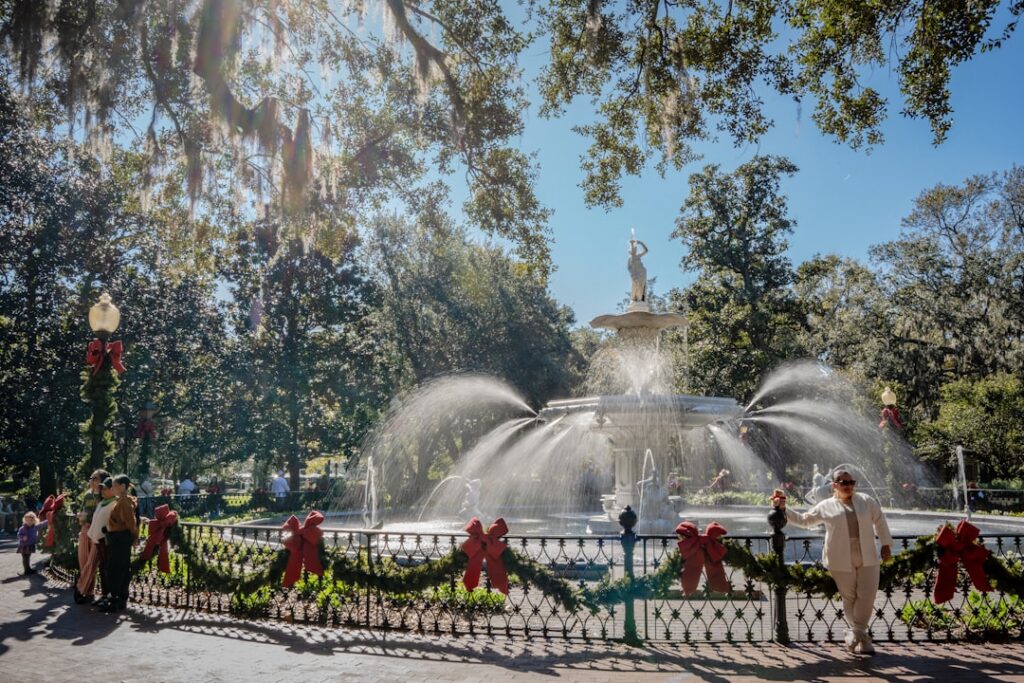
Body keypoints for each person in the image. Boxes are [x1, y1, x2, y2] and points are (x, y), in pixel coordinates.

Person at [771, 469, 893, 655]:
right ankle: (863, 638)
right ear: (834, 485)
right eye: (843, 482)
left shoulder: (866, 501)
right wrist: (783, 509)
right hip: (839, 556)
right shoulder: (825, 505)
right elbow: (805, 521)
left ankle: (856, 635)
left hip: (867, 554)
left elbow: (880, 521)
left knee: (867, 595)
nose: (848, 485)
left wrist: (886, 545)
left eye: (851, 482)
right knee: (850, 597)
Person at [97, 474, 138, 613]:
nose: (112, 488)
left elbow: (131, 524)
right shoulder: (121, 501)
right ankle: (117, 599)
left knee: (117, 570)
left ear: (123, 487)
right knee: (115, 569)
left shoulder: (124, 502)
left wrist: (134, 538)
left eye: (114, 485)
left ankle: (117, 600)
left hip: (121, 541)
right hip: (117, 539)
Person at [75, 468, 110, 603]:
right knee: (83, 561)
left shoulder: (104, 495)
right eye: (91, 478)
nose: (91, 481)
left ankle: (80, 589)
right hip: (85, 530)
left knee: (92, 562)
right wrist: (81, 517)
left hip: (97, 532)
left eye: (95, 478)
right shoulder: (87, 495)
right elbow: (83, 510)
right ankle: (89, 592)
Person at [16, 510, 48, 575]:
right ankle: (26, 571)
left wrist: (49, 520)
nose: (29, 522)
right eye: (27, 520)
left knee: (28, 557)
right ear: (24, 520)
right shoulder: (22, 528)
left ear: (34, 520)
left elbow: (42, 524)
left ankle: (28, 569)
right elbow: (19, 534)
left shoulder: (35, 527)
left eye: (31, 520)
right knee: (25, 558)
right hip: (24, 545)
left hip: (30, 544)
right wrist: (22, 537)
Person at [627, 238, 649, 304]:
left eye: (635, 249)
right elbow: (629, 268)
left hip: (642, 272)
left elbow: (646, 250)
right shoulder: (630, 259)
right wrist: (632, 275)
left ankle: (640, 299)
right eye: (633, 249)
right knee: (636, 285)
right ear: (631, 251)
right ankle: (635, 299)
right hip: (635, 274)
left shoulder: (638, 256)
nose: (634, 250)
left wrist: (641, 242)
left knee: (642, 285)